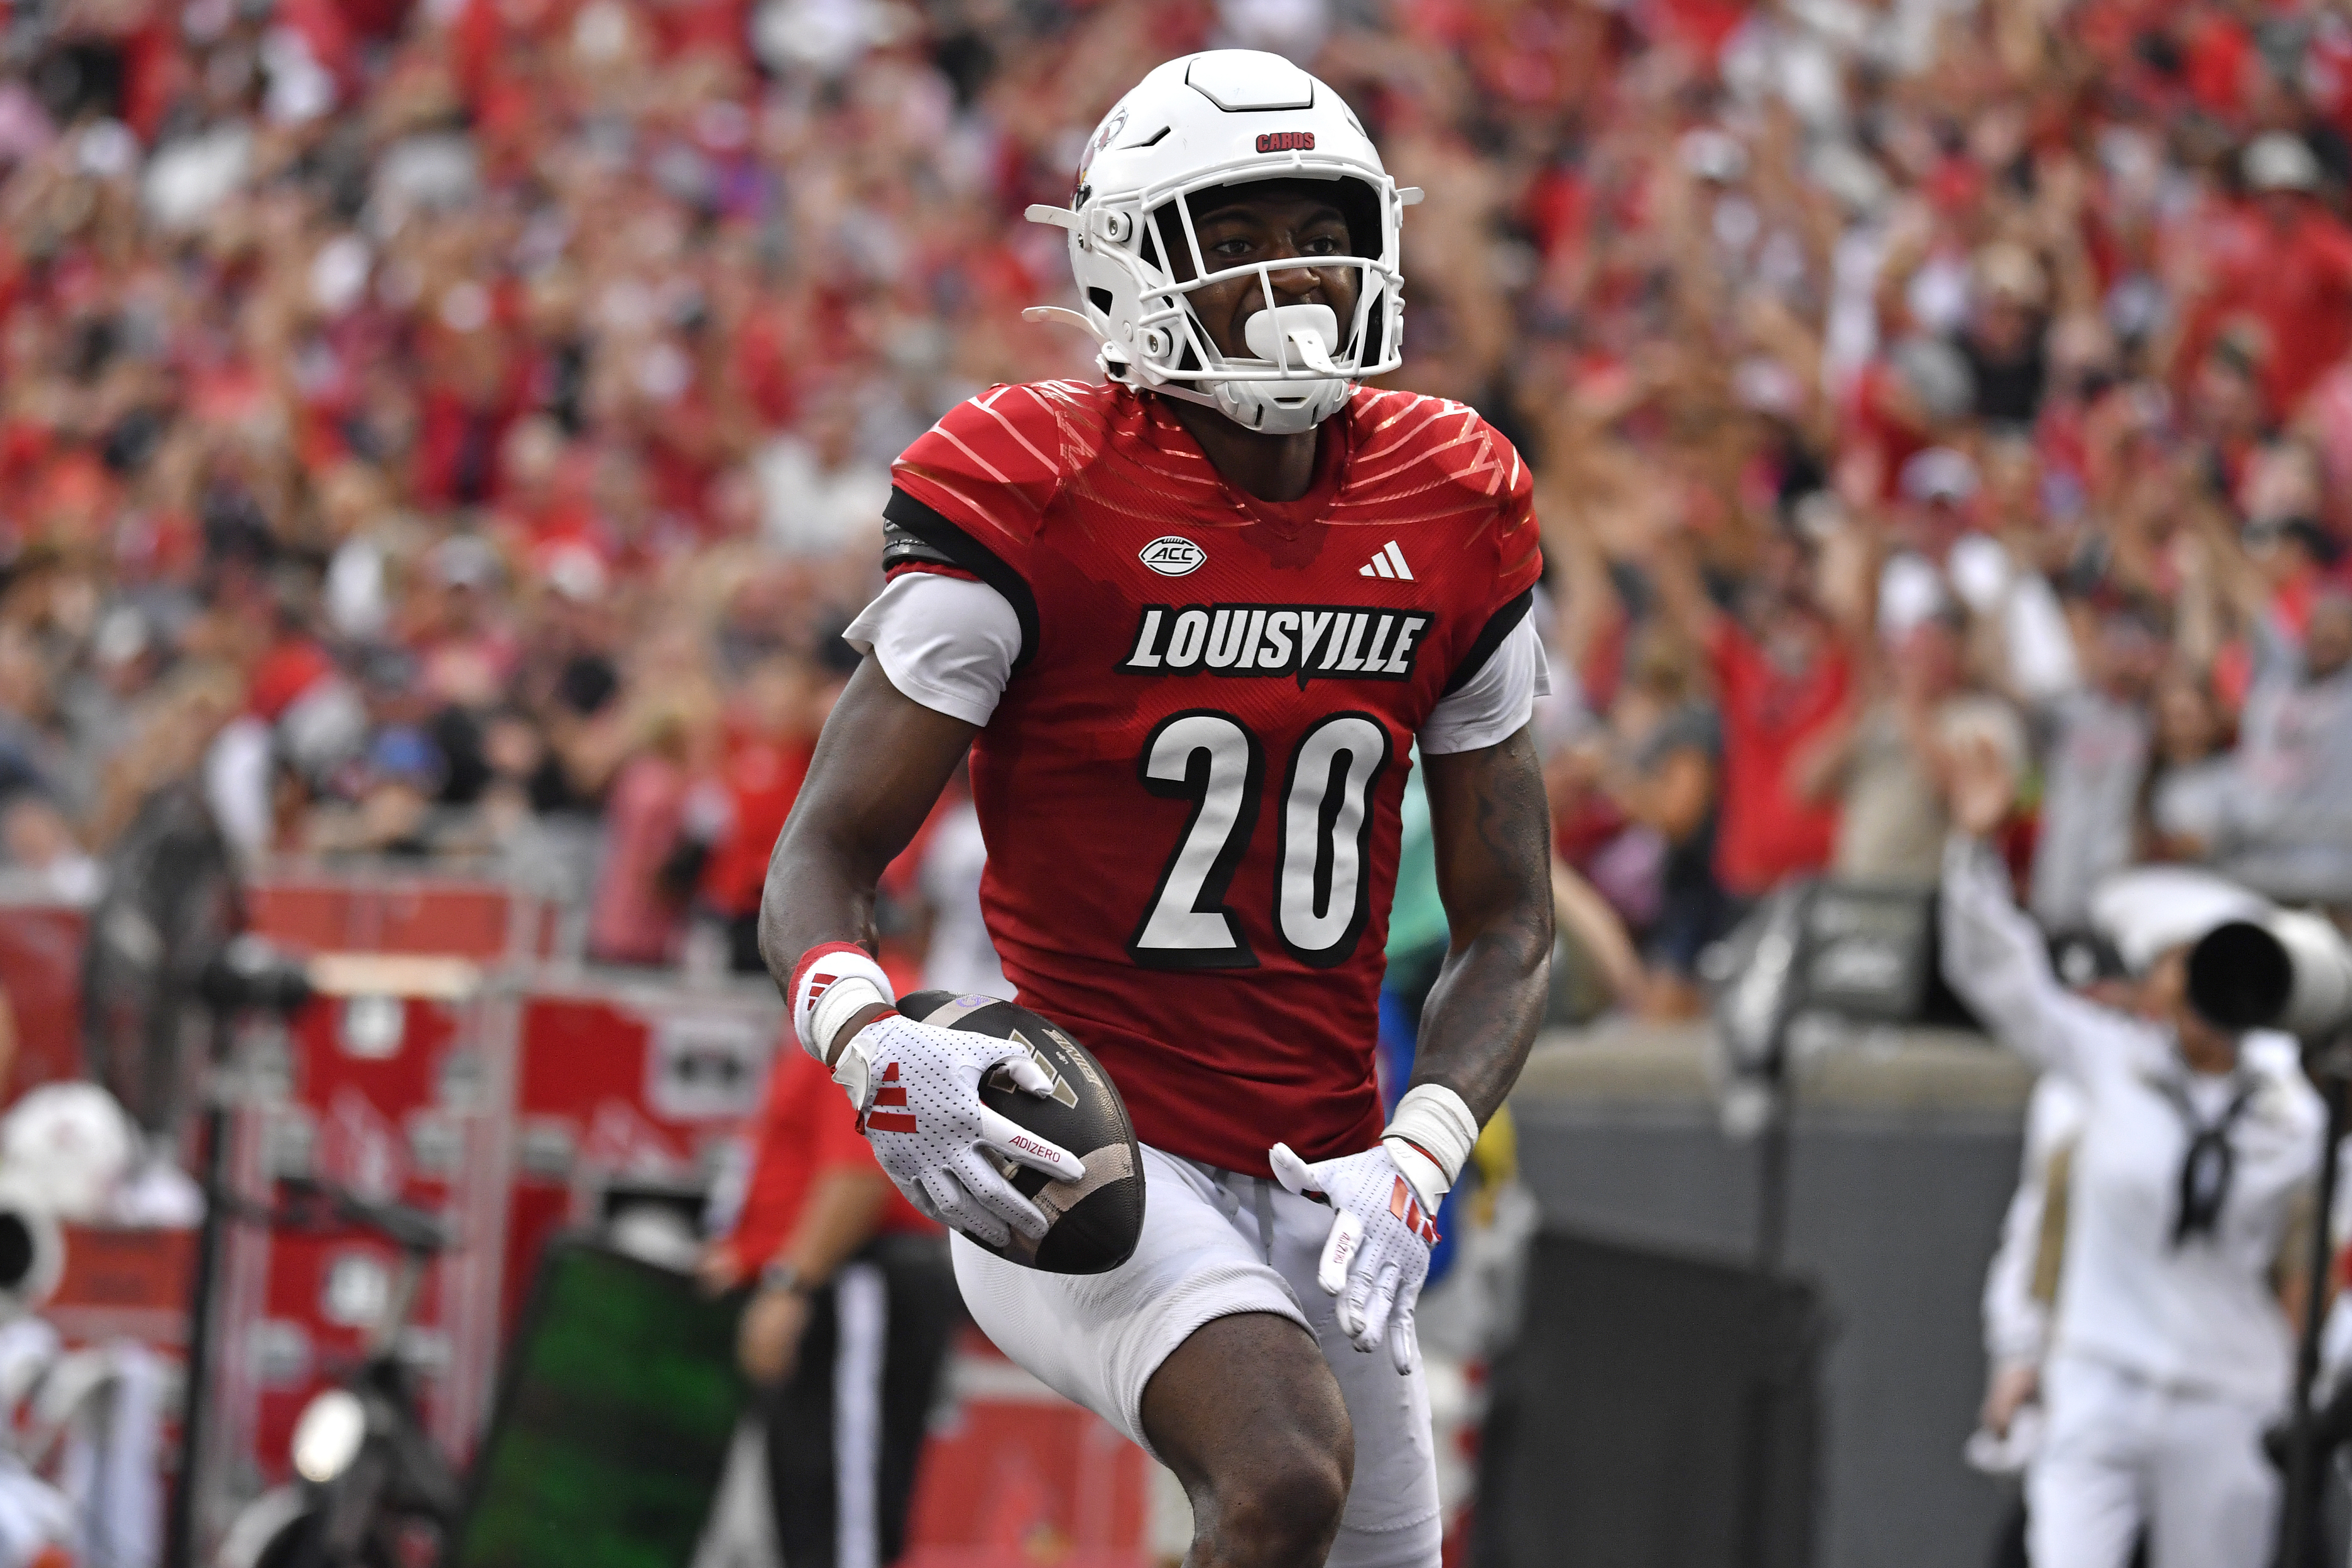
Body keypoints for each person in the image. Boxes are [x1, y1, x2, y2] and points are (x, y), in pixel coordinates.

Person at [758, 51, 1554, 1568]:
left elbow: (1510, 917)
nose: (1290, 273)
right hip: (1089, 1145)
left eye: (1317, 231)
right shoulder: (1040, 481)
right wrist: (869, 1043)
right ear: (1128, 263)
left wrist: (1421, 1145)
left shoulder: (1453, 495)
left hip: (1331, 1162)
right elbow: (824, 851)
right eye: (1234, 237)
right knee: (1282, 1477)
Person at [1939, 741, 2324, 1568]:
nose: (2201, 995)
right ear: (2153, 983)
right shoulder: (2107, 1065)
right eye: (2183, 969)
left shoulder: (2292, 1099)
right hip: (2102, 1367)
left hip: (2227, 1384)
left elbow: (2311, 1247)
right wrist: (1976, 853)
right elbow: (2002, 981)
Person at [703, 1044, 957, 1568]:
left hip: (854, 1285)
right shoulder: (833, 1027)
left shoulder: (859, 1023)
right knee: (812, 1517)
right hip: (836, 1287)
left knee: (842, 1529)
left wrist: (788, 1286)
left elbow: (860, 1176)